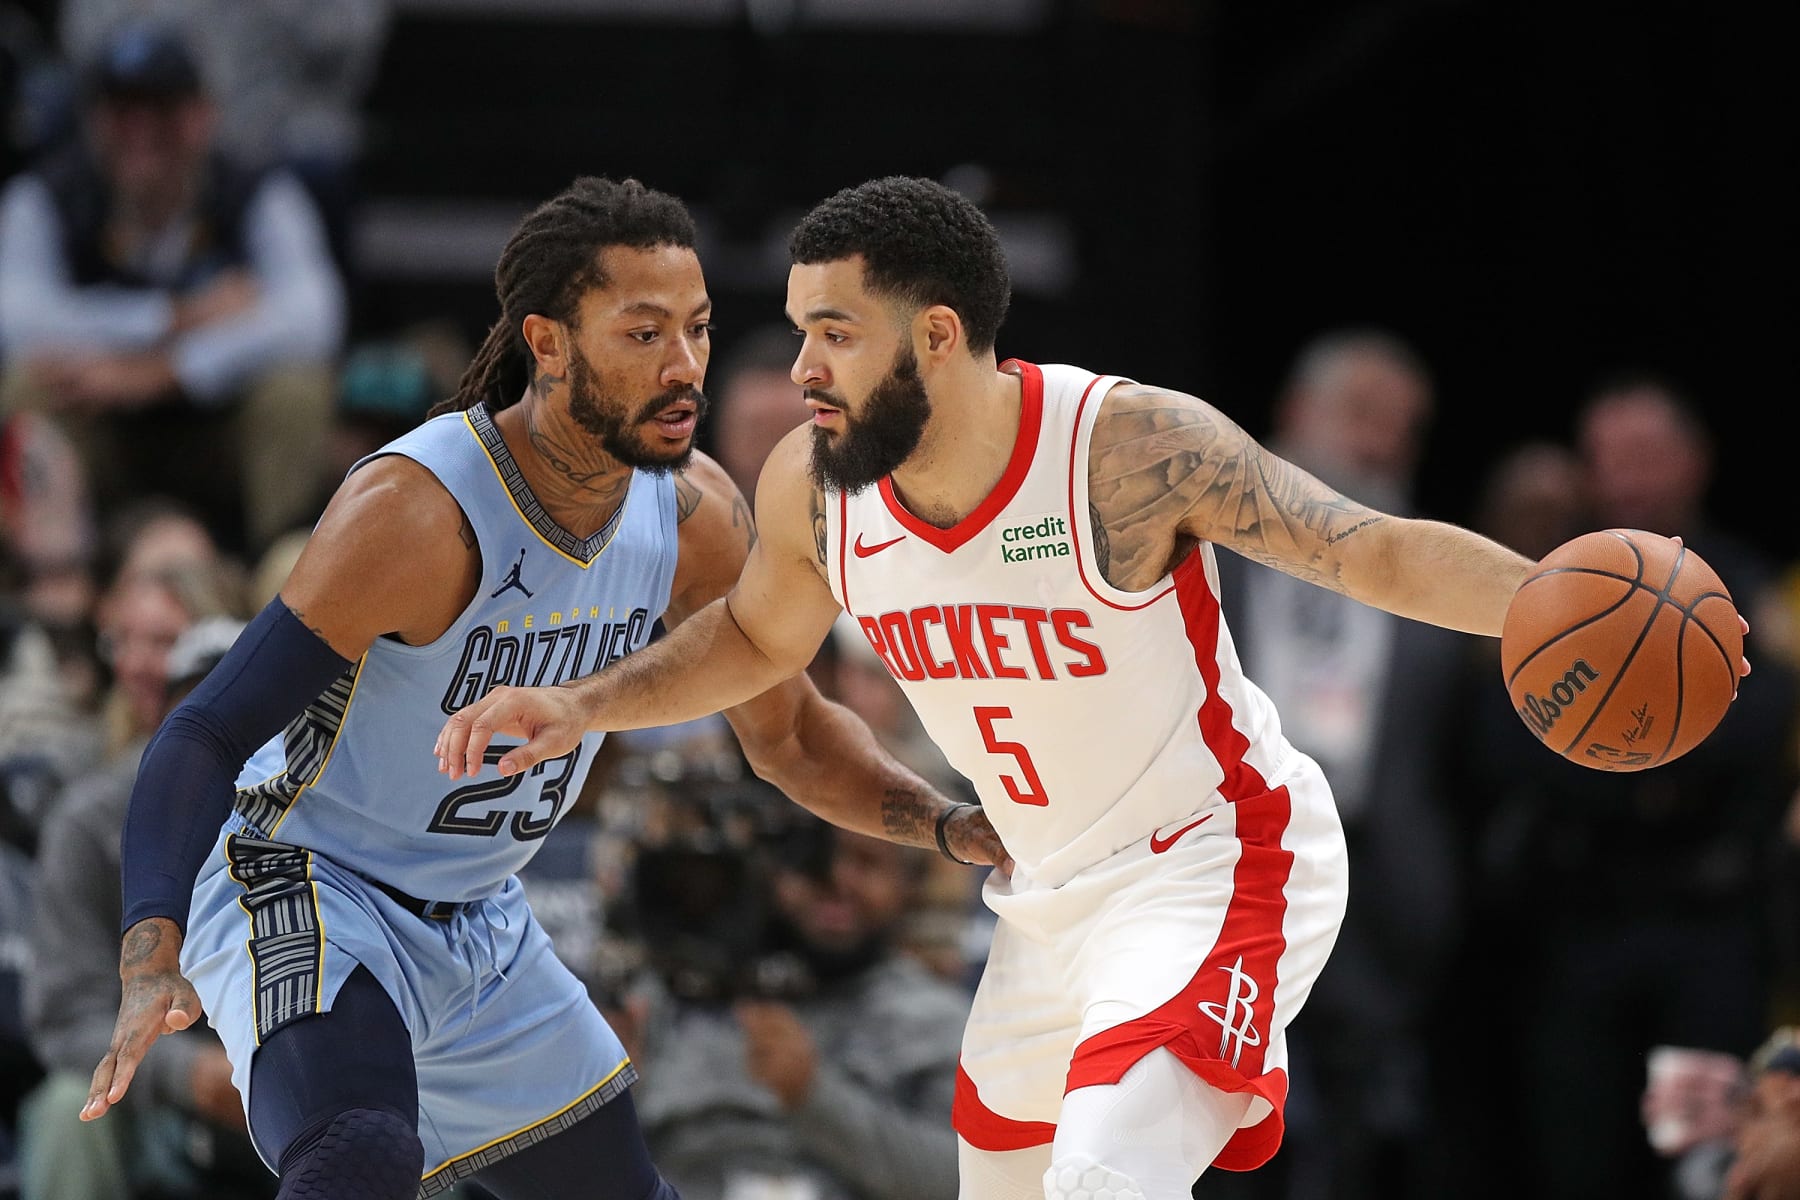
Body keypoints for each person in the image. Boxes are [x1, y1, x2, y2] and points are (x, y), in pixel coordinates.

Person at [435, 176, 1660, 1199]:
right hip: (1044, 894)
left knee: (1108, 1178)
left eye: (836, 334)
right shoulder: (815, 482)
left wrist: (1566, 608)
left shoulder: (1122, 448)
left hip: (1213, 859)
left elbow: (1368, 550)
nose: (802, 366)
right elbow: (752, 640)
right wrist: (581, 704)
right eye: (802, 330)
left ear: (935, 336)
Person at [79, 175, 1006, 1200]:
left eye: (697, 329)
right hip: (307, 875)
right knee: (359, 1154)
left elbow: (789, 734)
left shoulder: (694, 515)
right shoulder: (418, 512)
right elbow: (207, 729)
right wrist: (151, 946)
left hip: (476, 911)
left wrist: (947, 824)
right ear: (549, 343)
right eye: (644, 333)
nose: (683, 365)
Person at [1209, 328, 1464, 1200]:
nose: (1380, 444)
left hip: (1378, 899)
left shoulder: (1441, 576)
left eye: (1403, 428)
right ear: (1292, 414)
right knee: (1217, 1135)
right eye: (1360, 414)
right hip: (1225, 878)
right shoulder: (1192, 543)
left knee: (1357, 1153)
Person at [0, 18, 346, 556]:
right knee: (27, 386)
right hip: (100, 423)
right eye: (122, 110)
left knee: (296, 391)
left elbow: (315, 318)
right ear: (94, 120)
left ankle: (280, 571)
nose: (141, 130)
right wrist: (174, 317)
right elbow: (17, 321)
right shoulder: (44, 197)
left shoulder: (258, 194)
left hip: (218, 428)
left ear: (204, 115)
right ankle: (44, 573)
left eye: (161, 108)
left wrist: (174, 371)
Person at [18, 615, 268, 1200]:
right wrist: (190, 1074)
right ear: (167, 717)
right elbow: (66, 1016)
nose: (231, 740)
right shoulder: (92, 820)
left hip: (299, 1086)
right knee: (67, 1111)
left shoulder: (333, 820)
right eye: (207, 715)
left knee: (402, 1119)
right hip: (157, 1094)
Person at [627, 818, 969, 1200]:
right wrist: (613, 1099)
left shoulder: (938, 1020)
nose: (836, 878)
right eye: (811, 859)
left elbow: (960, 1179)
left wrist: (813, 1094)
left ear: (908, 883)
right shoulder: (673, 992)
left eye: (866, 861)